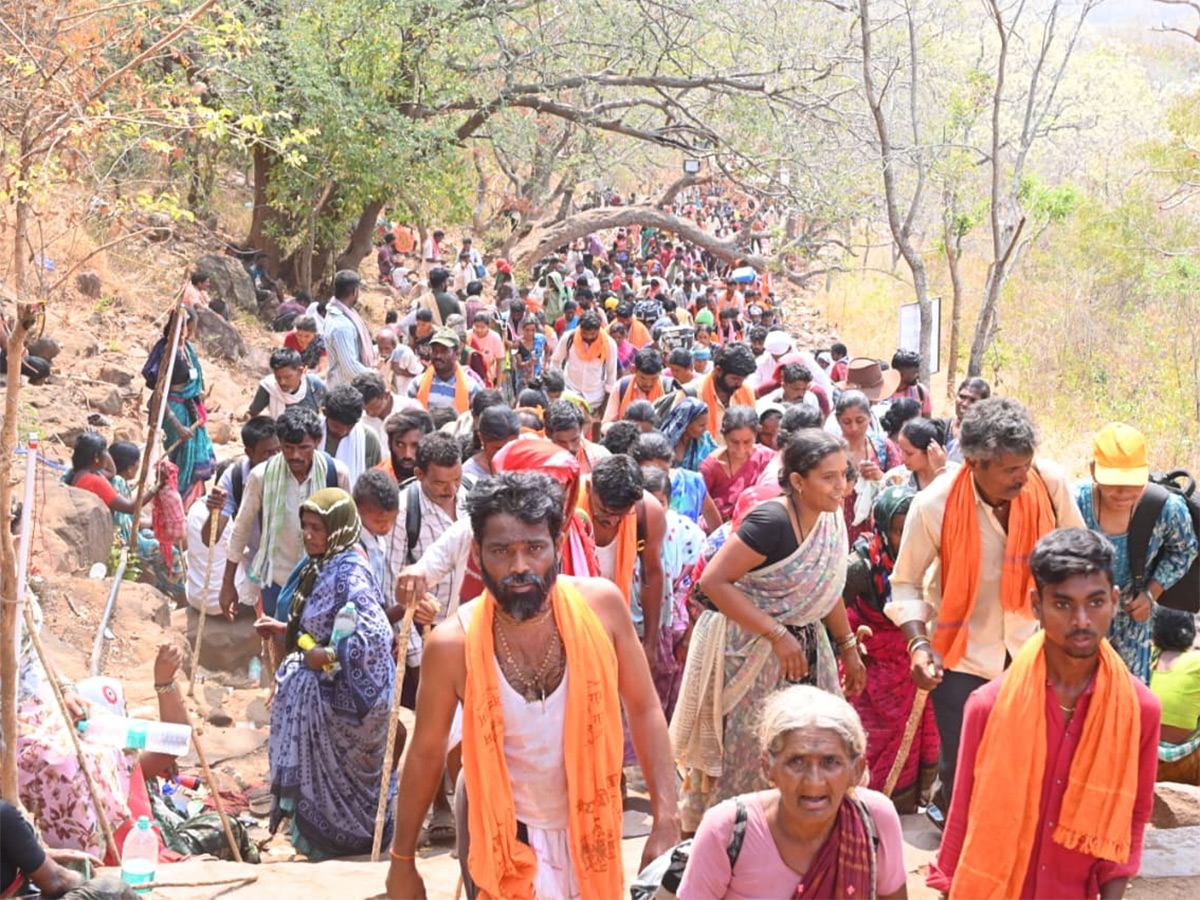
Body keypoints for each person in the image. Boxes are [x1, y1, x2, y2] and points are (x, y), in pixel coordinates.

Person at [384, 472, 681, 900]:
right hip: (502, 835)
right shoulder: (453, 644)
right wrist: (403, 861)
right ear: (477, 554)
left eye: (534, 548)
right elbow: (427, 752)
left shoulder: (603, 607)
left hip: (592, 830)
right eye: (502, 551)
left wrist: (666, 819)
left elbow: (645, 710)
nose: (519, 566)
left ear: (557, 547)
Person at [928, 528, 1160, 899]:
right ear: (1037, 605)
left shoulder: (1139, 710)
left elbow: (1133, 816)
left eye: (1095, 602)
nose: (1081, 620)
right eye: (1063, 604)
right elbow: (962, 815)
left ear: (1115, 601)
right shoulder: (988, 706)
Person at [888, 397, 1085, 816]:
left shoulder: (1047, 485)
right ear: (975, 463)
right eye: (1010, 469)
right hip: (962, 659)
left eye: (1025, 464)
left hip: (1036, 653)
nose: (1022, 476)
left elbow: (1080, 555)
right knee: (966, 773)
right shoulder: (934, 505)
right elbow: (904, 584)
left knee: (1036, 768)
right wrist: (919, 648)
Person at [675, 429, 866, 828]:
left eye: (844, 475)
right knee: (751, 749)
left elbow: (823, 585)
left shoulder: (829, 522)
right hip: (748, 649)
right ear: (797, 481)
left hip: (807, 650)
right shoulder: (771, 520)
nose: (841, 488)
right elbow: (713, 582)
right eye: (828, 478)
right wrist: (777, 635)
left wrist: (848, 646)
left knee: (814, 744)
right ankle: (736, 842)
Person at [258, 488, 397, 859]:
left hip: (348, 704)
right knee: (316, 781)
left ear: (337, 529)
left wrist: (331, 655)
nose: (308, 535)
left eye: (317, 528)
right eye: (305, 527)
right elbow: (310, 630)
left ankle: (350, 841)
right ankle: (317, 840)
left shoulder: (350, 573)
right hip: (319, 689)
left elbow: (376, 637)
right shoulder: (318, 565)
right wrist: (285, 632)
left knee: (347, 780)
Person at [677, 685, 908, 900]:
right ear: (768, 767)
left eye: (830, 761)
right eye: (796, 761)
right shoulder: (727, 830)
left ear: (856, 771)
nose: (814, 782)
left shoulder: (875, 821)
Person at [1074, 423, 1197, 684]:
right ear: (1094, 471)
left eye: (1132, 483)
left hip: (1134, 621)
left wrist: (1151, 593)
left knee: (1128, 699)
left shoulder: (1165, 509)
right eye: (1114, 483)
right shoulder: (1075, 503)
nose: (1123, 493)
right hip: (1081, 619)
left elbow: (1184, 551)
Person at [843, 485, 938, 814]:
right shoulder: (859, 568)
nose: (906, 539)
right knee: (869, 738)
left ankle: (902, 807)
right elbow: (831, 615)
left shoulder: (932, 561)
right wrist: (851, 651)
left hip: (912, 669)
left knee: (910, 741)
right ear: (882, 529)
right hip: (871, 674)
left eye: (911, 528)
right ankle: (863, 809)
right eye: (898, 531)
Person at [221, 407, 351, 621]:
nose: (295, 456)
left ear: (317, 442)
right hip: (277, 581)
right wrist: (227, 585)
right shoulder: (261, 476)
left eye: (303, 448)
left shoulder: (336, 474)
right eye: (288, 448)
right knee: (278, 643)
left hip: (324, 581)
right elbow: (241, 530)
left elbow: (347, 532)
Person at [578, 455, 667, 668]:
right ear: (590, 487)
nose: (612, 522)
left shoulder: (648, 513)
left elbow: (652, 575)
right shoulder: (567, 504)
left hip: (613, 625)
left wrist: (650, 644)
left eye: (621, 514)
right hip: (571, 621)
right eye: (605, 512)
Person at [107, 441, 184, 597]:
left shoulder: (115, 482)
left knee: (158, 538)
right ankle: (179, 594)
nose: (138, 467)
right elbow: (127, 523)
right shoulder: (118, 482)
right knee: (171, 553)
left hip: (130, 532)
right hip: (128, 540)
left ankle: (163, 585)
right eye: (137, 465)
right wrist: (157, 486)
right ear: (129, 469)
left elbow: (130, 516)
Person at [154, 308, 215, 501]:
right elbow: (159, 393)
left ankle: (192, 502)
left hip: (190, 407)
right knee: (181, 458)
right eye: (190, 327)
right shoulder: (167, 352)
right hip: (175, 409)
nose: (191, 332)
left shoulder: (187, 348)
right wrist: (177, 425)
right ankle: (177, 502)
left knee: (198, 454)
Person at [835, 390, 900, 545]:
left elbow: (899, 485)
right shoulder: (831, 451)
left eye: (860, 420)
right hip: (839, 528)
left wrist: (880, 478)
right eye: (847, 422)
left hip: (876, 527)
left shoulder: (883, 447)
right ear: (838, 420)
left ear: (869, 418)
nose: (854, 428)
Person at [1150, 605, 1200, 783]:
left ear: (1155, 636)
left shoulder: (1146, 659)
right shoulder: (1197, 662)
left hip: (1144, 757)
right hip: (1185, 763)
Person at [700, 405, 776, 521]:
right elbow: (702, 505)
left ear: (756, 435)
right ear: (724, 436)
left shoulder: (767, 458)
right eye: (734, 442)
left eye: (747, 442)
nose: (741, 449)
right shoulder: (711, 467)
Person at [550, 310, 619, 416]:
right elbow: (555, 361)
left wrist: (605, 403)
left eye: (592, 334)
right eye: (584, 333)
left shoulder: (609, 345)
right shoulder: (568, 338)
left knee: (594, 426)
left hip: (596, 397)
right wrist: (559, 385)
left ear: (598, 330)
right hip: (570, 392)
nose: (588, 337)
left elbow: (611, 375)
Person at [408, 328, 483, 414]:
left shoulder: (471, 388)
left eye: (444, 351)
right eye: (434, 351)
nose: (438, 356)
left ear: (457, 355)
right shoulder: (417, 384)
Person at [694, 342, 757, 444]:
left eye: (743, 379)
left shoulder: (746, 391)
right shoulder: (693, 394)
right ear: (718, 371)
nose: (739, 384)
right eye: (735, 379)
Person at [320, 384, 383, 485]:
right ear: (324, 412)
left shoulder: (369, 439)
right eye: (337, 426)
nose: (343, 431)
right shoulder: (311, 435)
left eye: (349, 427)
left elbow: (375, 481)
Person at [247, 347, 327, 419]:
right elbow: (252, 413)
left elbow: (327, 411)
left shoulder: (314, 384)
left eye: (287, 377)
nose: (282, 382)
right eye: (278, 377)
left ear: (300, 371)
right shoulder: (268, 387)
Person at [602, 347, 667, 429]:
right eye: (643, 378)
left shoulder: (668, 388)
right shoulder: (621, 386)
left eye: (654, 379)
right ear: (633, 370)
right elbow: (606, 424)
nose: (648, 383)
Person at [545, 398, 609, 474]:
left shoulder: (599, 455)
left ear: (581, 429)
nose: (570, 447)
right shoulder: (541, 463)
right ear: (549, 435)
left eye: (574, 440)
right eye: (562, 442)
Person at [886, 417, 949, 491]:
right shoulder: (894, 478)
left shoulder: (955, 476)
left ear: (930, 451)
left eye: (909, 454)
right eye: (901, 451)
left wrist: (941, 472)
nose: (902, 458)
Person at [461, 405, 520, 482]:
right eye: (499, 449)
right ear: (481, 438)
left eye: (511, 447)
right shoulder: (469, 475)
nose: (506, 454)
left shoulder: (526, 466)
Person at [659, 396, 718, 472]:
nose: (705, 429)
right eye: (701, 425)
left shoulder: (706, 439)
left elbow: (718, 460)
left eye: (706, 425)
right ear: (686, 424)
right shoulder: (664, 442)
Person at [378, 408, 433, 482]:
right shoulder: (378, 480)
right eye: (400, 445)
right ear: (389, 443)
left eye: (415, 446)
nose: (407, 455)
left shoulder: (439, 478)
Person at [945, 376, 991, 463]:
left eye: (973, 400)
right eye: (962, 397)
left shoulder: (987, 436)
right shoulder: (942, 428)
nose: (965, 404)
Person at [353, 371, 406, 444]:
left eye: (374, 407)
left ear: (386, 396)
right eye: (365, 410)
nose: (369, 413)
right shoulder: (358, 419)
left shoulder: (408, 409)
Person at [889, 349, 932, 416]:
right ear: (901, 374)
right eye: (914, 373)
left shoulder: (921, 391)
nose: (918, 376)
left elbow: (926, 422)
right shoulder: (883, 394)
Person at [468, 312, 504, 387]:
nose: (479, 330)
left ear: (488, 326)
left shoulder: (495, 338)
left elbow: (499, 361)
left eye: (482, 327)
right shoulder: (468, 336)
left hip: (489, 376)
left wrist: (498, 384)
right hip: (471, 377)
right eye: (476, 326)